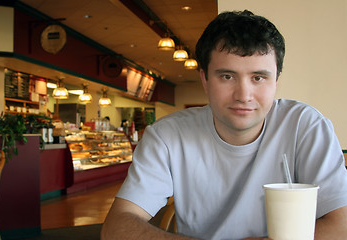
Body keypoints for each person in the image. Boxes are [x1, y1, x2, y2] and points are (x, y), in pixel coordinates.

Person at [101, 10, 347, 240]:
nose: (244, 95)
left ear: (276, 81)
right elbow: (117, 226)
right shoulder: (167, 136)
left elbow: (342, 225)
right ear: (205, 80)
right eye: (227, 76)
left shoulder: (304, 126)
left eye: (258, 77)